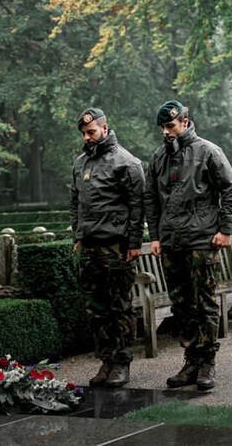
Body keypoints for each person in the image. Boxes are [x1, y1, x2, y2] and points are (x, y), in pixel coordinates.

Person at [144, 100, 232, 391]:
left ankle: (207, 361)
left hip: (201, 240)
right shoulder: (159, 156)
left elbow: (231, 189)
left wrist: (225, 230)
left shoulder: (208, 151)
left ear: (185, 122)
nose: (165, 132)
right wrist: (155, 236)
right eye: (162, 127)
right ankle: (191, 361)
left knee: (205, 302)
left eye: (170, 126)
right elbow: (151, 199)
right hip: (172, 242)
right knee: (181, 304)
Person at [70, 107, 145, 388]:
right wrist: (77, 234)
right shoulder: (80, 163)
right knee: (96, 309)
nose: (87, 137)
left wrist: (134, 243)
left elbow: (138, 207)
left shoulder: (126, 162)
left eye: (91, 132)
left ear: (105, 127)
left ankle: (122, 363)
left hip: (116, 246)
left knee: (119, 307)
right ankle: (106, 360)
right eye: (83, 133)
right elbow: (75, 202)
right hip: (89, 246)